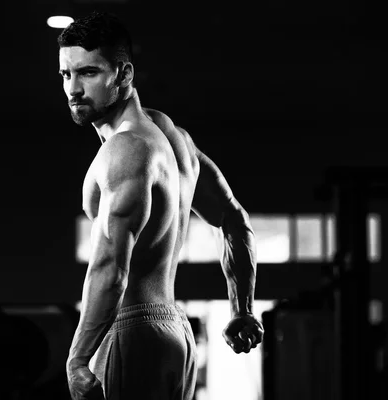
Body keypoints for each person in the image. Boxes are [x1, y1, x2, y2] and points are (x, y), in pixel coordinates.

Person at [58, 11, 264, 400]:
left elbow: (110, 267)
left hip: (131, 331)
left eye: (88, 73)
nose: (73, 88)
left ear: (124, 74)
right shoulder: (175, 140)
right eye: (66, 75)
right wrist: (242, 308)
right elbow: (235, 220)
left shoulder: (126, 149)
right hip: (174, 333)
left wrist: (78, 359)